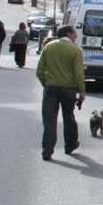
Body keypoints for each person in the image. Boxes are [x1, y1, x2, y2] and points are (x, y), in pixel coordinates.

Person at [37, 26, 85, 160]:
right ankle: (70, 145)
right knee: (68, 117)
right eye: (74, 34)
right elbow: (78, 74)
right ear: (68, 34)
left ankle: (47, 150)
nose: (76, 36)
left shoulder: (49, 47)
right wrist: (81, 91)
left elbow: (40, 71)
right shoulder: (75, 50)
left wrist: (46, 84)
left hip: (50, 89)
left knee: (49, 121)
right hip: (68, 90)